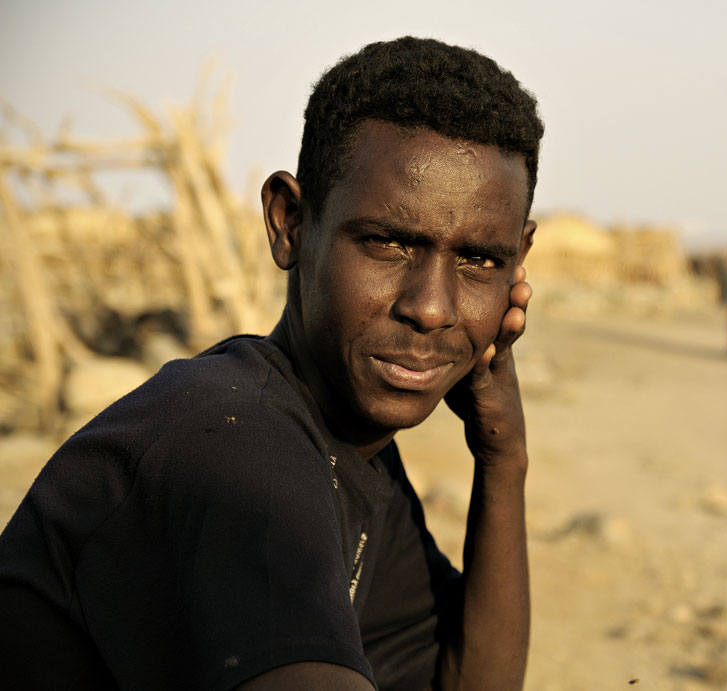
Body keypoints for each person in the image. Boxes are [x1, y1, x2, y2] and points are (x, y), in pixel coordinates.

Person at [0, 37, 543, 691]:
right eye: (389, 242)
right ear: (289, 222)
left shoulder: (355, 456)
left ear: (520, 258)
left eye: (479, 258)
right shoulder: (233, 439)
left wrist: (503, 455)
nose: (431, 307)